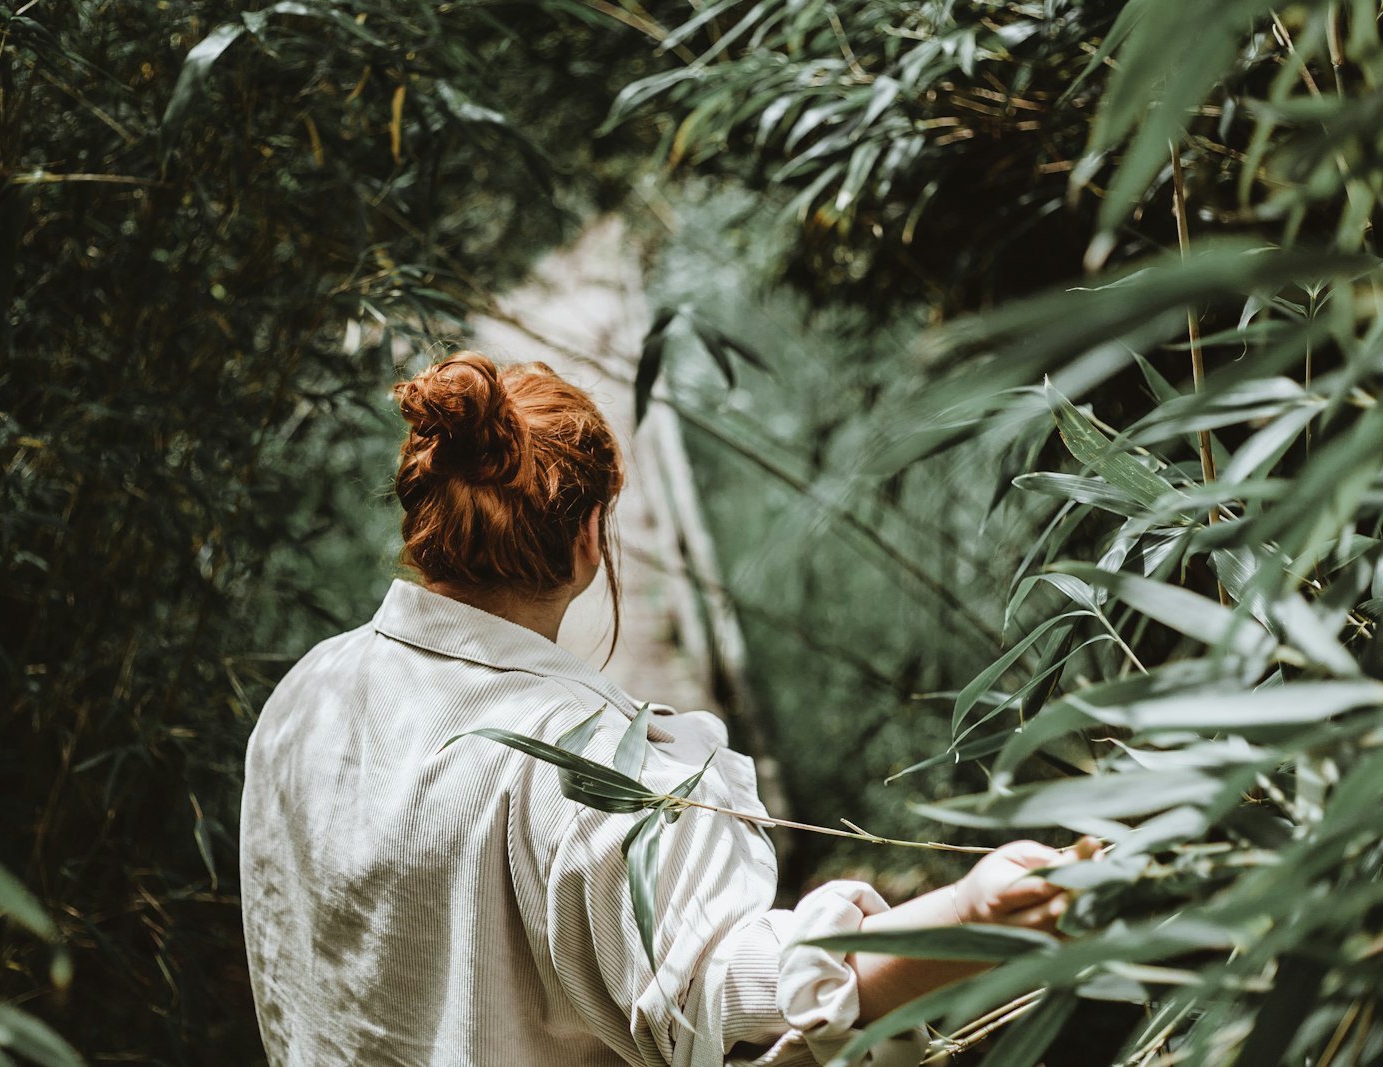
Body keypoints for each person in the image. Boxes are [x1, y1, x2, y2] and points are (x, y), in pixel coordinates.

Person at [239, 352, 1088, 1067]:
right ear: (589, 536)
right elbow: (726, 985)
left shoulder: (303, 693)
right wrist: (970, 910)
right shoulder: (591, 765)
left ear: (425, 515)